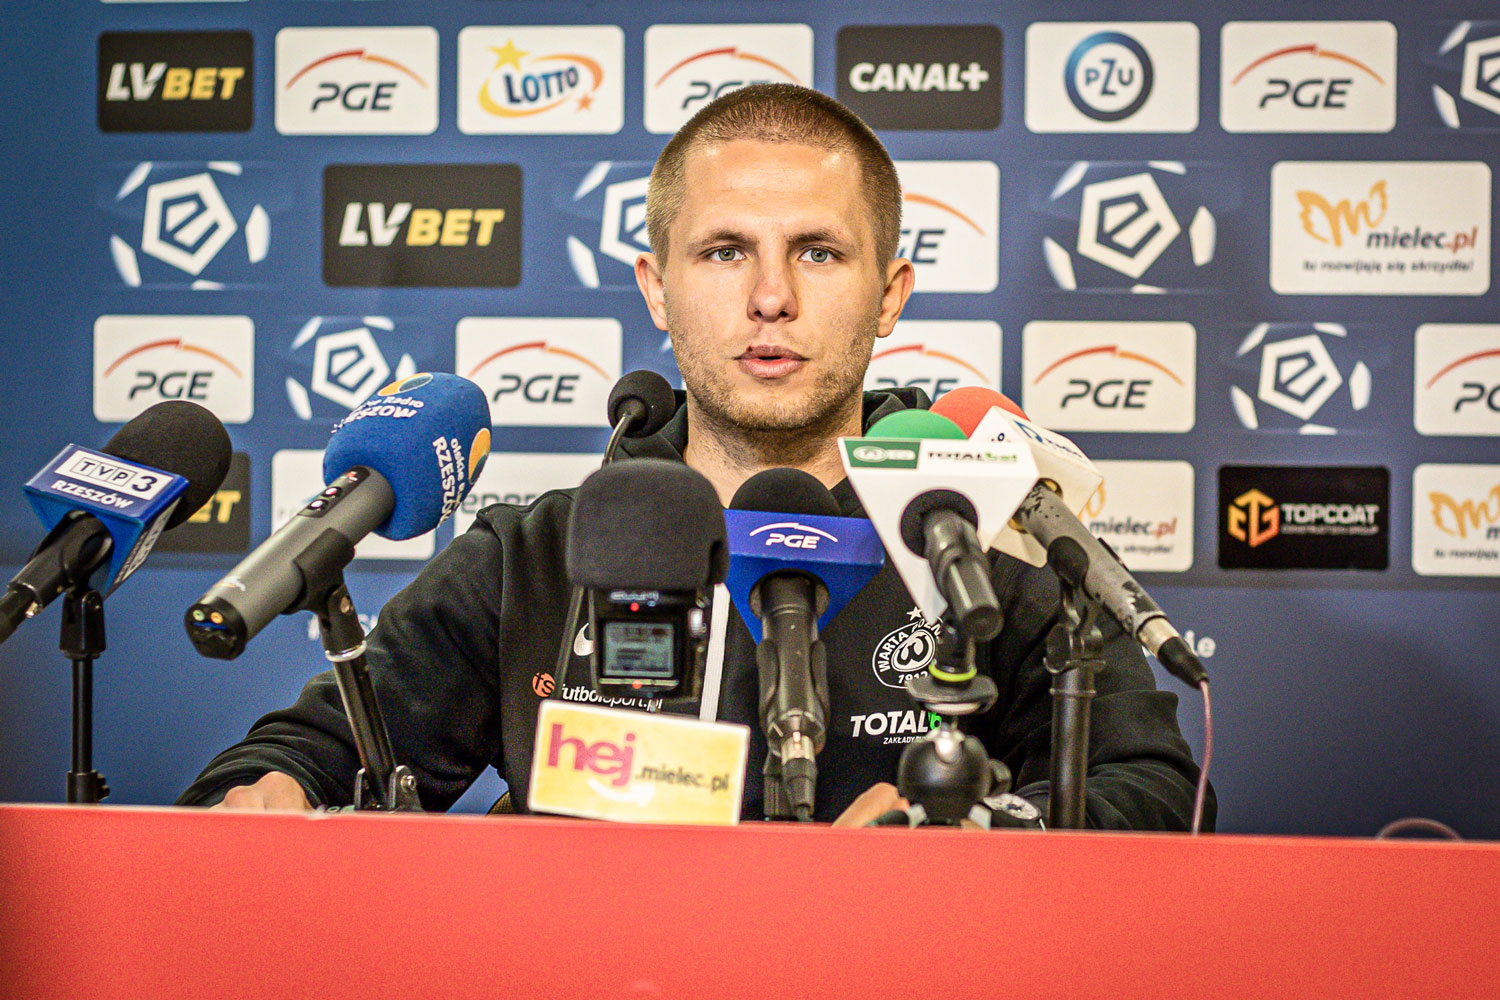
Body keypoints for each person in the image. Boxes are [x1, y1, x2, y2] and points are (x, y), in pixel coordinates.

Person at [179, 84, 1211, 829]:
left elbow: (1158, 792)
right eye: (724, 252)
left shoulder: (977, 528)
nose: (772, 297)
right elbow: (291, 759)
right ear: (656, 288)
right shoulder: (534, 554)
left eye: (819, 251)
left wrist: (975, 834)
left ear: (891, 294)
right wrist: (285, 792)